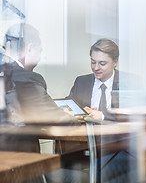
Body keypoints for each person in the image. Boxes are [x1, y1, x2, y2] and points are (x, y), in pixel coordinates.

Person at [0, 23, 77, 153]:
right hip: (17, 161)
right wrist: (71, 118)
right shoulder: (28, 78)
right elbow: (60, 121)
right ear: (29, 49)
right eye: (40, 51)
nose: (40, 57)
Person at [68, 38, 120, 121]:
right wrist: (81, 112)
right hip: (87, 132)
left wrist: (103, 115)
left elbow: (134, 113)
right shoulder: (81, 82)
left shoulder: (128, 82)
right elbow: (69, 107)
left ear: (115, 62)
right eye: (93, 62)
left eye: (102, 63)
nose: (96, 68)